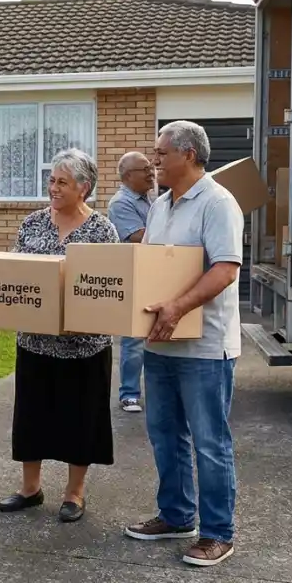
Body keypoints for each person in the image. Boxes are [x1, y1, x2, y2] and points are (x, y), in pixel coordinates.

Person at [123, 120, 244, 568]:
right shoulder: (160, 205)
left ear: (189, 155)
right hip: (160, 344)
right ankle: (176, 516)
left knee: (210, 442)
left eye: (161, 154)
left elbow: (225, 269)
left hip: (205, 347)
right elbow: (152, 266)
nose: (154, 162)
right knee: (164, 434)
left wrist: (177, 306)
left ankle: (217, 533)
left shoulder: (218, 203)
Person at [0, 147, 119, 523]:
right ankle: (30, 489)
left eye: (62, 182)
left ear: (84, 187)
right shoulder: (32, 223)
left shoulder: (102, 230)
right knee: (31, 416)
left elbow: (111, 285)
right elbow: (17, 272)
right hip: (35, 341)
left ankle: (74, 493)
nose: (53, 188)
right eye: (51, 180)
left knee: (81, 418)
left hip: (84, 347)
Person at [107, 151, 156, 413]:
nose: (151, 172)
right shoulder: (121, 203)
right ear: (127, 176)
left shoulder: (151, 199)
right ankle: (129, 394)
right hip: (135, 277)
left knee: (155, 337)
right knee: (135, 338)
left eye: (151, 167)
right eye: (144, 169)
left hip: (154, 274)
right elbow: (139, 236)